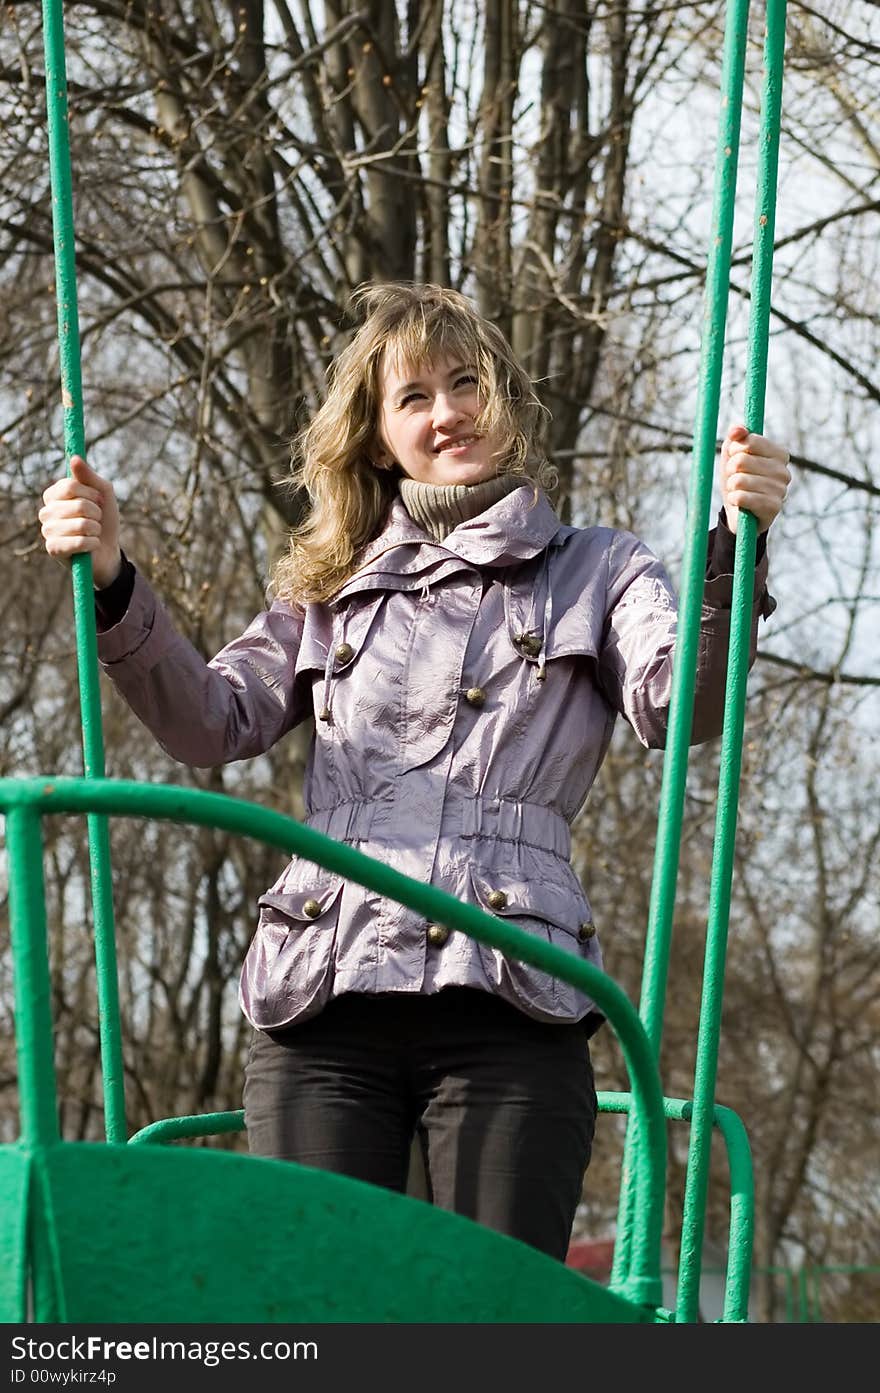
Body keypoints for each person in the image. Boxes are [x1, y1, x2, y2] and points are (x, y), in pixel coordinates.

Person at [39, 282, 791, 1262]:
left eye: (466, 382)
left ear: (503, 402)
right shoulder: (327, 589)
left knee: (487, 1306)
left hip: (506, 984)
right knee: (319, 1298)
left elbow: (676, 702)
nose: (448, 412)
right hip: (327, 989)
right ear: (376, 435)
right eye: (415, 396)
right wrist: (109, 577)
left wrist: (735, 546)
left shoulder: (595, 568)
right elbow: (212, 718)